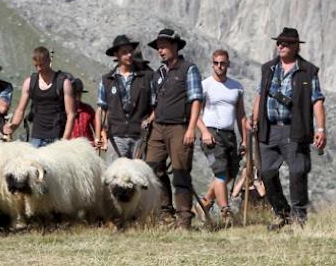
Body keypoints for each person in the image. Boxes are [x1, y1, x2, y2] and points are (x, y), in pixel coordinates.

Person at [251, 27, 326, 230]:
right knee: (266, 173)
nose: (280, 46)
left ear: (295, 46)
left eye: (285, 43)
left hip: (295, 129)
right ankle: (282, 214)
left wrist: (320, 129)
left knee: (297, 173)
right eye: (279, 43)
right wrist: (254, 118)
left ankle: (299, 219)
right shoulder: (268, 68)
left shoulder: (308, 71)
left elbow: (317, 101)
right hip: (269, 129)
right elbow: (260, 95)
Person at [145, 29, 203, 230]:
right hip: (158, 127)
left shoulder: (189, 69)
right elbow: (156, 102)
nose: (160, 51)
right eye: (158, 47)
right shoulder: (158, 74)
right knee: (152, 169)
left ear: (175, 46)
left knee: (180, 173)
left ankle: (184, 219)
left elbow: (196, 100)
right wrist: (149, 119)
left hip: (179, 127)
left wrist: (191, 129)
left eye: (164, 46)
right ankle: (165, 213)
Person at [195, 49, 247, 226]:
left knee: (230, 173)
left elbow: (241, 115)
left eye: (222, 63)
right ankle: (225, 212)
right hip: (212, 133)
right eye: (216, 63)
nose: (219, 66)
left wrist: (245, 139)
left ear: (228, 64)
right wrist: (204, 132)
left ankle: (204, 203)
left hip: (230, 134)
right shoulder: (205, 85)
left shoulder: (237, 87)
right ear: (212, 64)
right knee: (221, 172)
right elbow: (194, 113)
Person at [95, 35, 153, 162]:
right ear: (116, 55)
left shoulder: (147, 77)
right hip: (116, 138)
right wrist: (98, 135)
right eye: (124, 52)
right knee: (116, 177)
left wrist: (149, 120)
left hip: (140, 137)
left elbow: (156, 105)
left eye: (130, 51)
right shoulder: (107, 80)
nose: (129, 55)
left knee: (139, 177)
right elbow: (101, 109)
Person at [4, 46, 75, 147]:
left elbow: (71, 114)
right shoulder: (30, 82)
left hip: (57, 136)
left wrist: (64, 140)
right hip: (37, 136)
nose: (39, 68)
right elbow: (20, 110)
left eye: (41, 65)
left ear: (49, 61)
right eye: (36, 65)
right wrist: (13, 126)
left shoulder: (63, 82)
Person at [69, 78, 95, 144]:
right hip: (70, 148)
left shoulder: (88, 109)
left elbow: (98, 128)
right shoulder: (63, 111)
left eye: (79, 94)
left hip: (87, 148)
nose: (77, 98)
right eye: (75, 94)